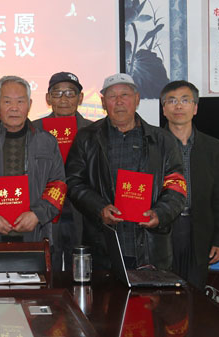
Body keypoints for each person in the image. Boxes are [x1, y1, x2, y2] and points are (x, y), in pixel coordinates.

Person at [67, 73, 187, 271]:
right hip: (103, 244)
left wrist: (160, 213)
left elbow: (176, 184)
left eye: (125, 95)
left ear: (137, 99)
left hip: (150, 246)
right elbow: (73, 182)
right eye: (112, 96)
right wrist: (99, 208)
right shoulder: (87, 138)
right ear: (103, 102)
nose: (119, 101)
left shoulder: (163, 140)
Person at [0, 76, 67, 244]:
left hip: (35, 236)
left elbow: (58, 185)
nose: (14, 108)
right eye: (7, 102)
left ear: (30, 104)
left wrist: (37, 215)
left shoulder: (47, 142)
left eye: (20, 101)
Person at [160, 80, 219, 289]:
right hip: (163, 231)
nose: (178, 106)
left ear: (195, 107)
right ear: (164, 109)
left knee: (195, 295)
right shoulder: (152, 143)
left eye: (185, 100)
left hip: (200, 230)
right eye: (171, 101)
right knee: (162, 296)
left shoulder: (213, 147)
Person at [33, 72, 92, 271]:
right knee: (49, 267)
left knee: (82, 268)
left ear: (80, 98)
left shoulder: (94, 130)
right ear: (48, 98)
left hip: (82, 211)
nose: (64, 99)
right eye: (57, 93)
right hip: (46, 209)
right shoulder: (34, 129)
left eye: (70, 93)